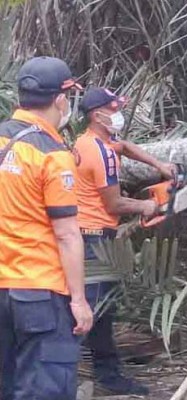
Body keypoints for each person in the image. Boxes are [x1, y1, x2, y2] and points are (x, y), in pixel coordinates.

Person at [0, 57, 93, 400]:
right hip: (40, 292)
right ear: (60, 99)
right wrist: (80, 300)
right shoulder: (52, 155)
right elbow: (67, 233)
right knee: (44, 389)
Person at [73, 87, 176, 395]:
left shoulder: (89, 141)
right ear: (96, 115)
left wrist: (159, 166)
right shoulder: (99, 154)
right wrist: (145, 206)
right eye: (113, 108)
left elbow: (125, 146)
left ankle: (105, 374)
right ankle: (73, 377)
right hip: (94, 239)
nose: (117, 113)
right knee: (92, 311)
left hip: (88, 236)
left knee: (100, 311)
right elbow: (114, 205)